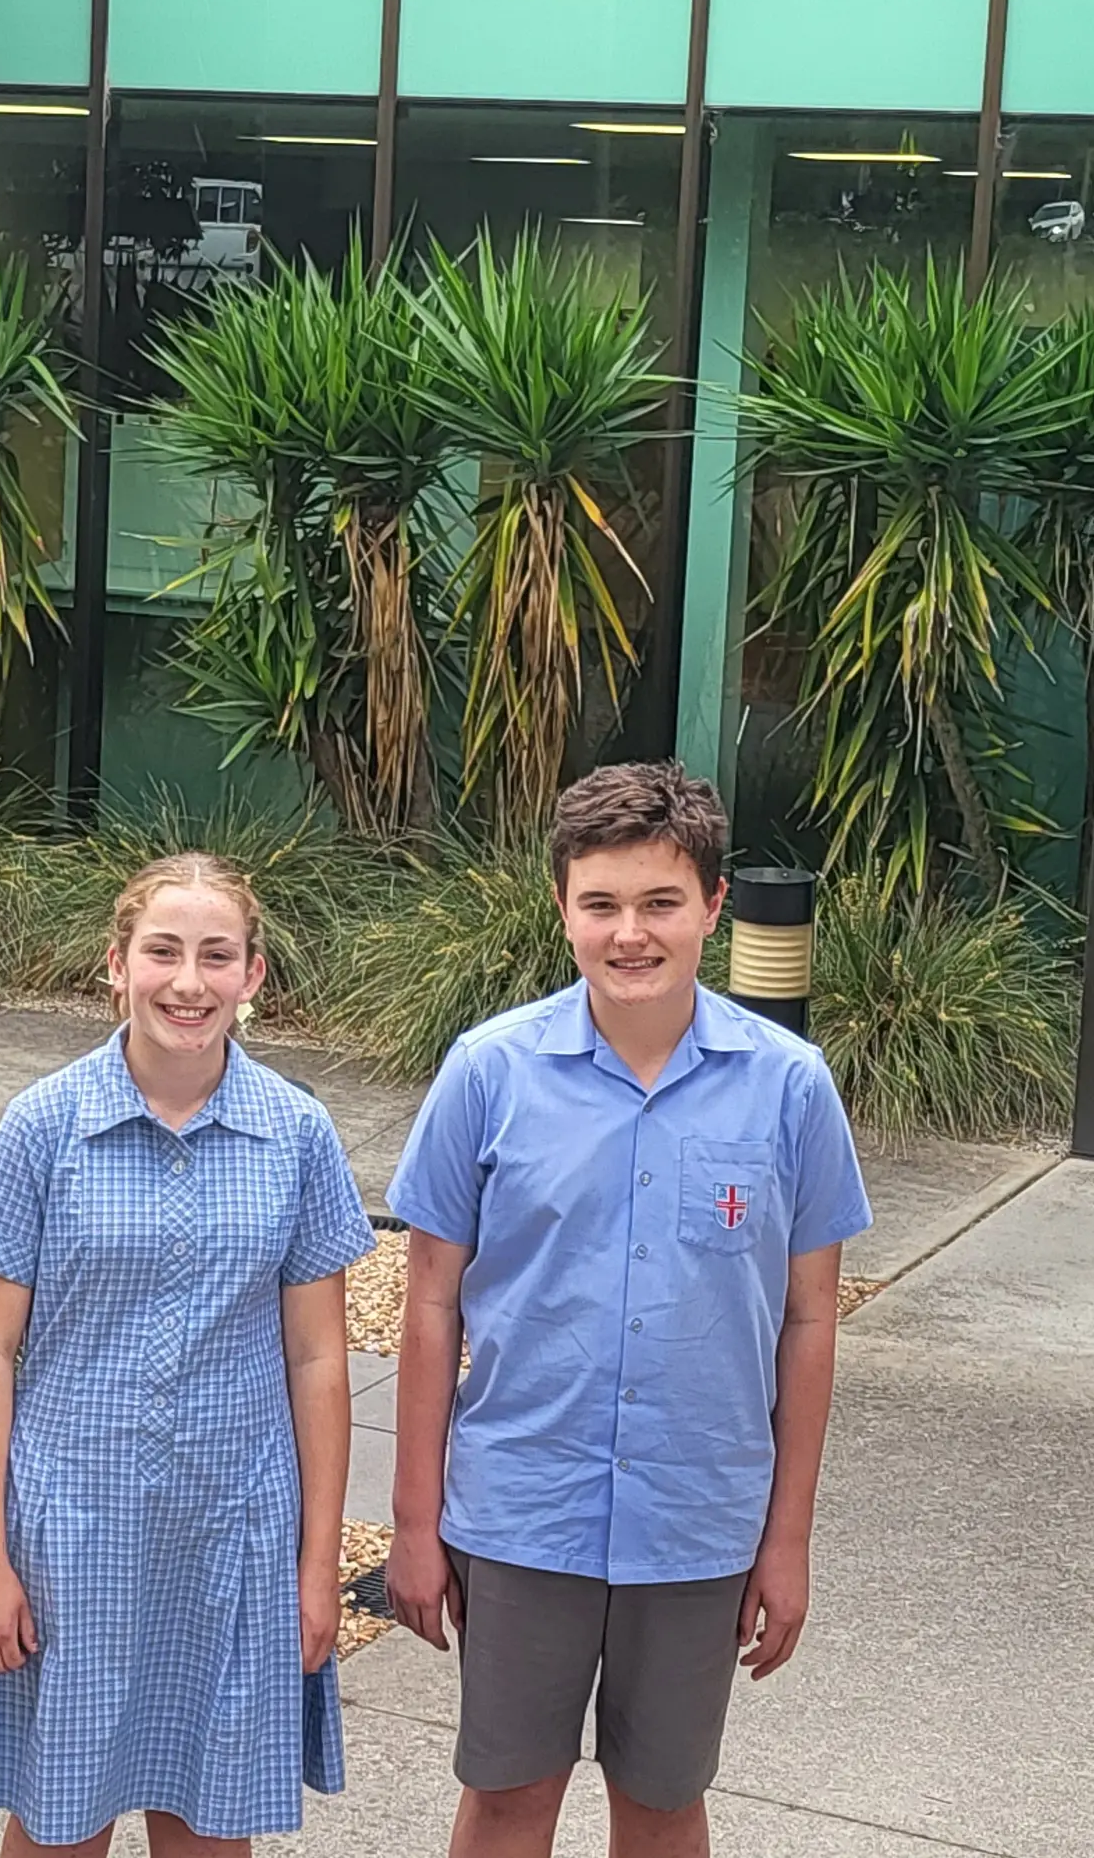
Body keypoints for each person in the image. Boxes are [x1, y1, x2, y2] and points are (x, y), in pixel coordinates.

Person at [384, 762, 871, 1858]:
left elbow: (810, 1319)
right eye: (600, 903)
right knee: (508, 1795)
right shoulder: (488, 1073)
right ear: (561, 908)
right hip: (523, 1510)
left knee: (661, 1802)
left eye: (659, 902)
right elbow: (427, 1304)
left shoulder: (789, 1087)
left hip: (698, 1521)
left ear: (713, 907)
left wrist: (785, 1537)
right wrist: (415, 1522)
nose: (629, 932)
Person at [0, 853, 371, 1857]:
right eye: (163, 951)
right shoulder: (44, 1126)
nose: (189, 980)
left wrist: (318, 1564)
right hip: (72, 1534)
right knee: (61, 1818)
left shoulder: (298, 1134)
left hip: (230, 1534)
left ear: (253, 974)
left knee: (213, 1814)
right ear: (117, 963)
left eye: (216, 955)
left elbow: (317, 1357)